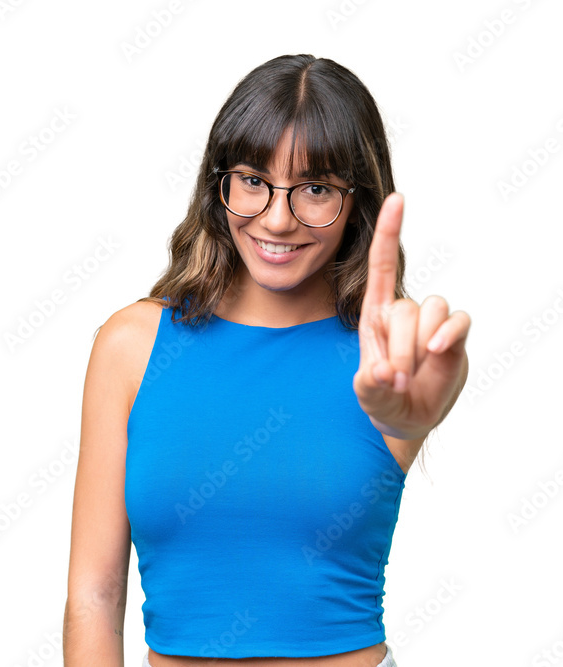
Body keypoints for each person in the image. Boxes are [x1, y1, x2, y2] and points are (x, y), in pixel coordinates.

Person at [63, 54, 471, 667]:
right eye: (253, 179)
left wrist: (421, 410)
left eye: (315, 189)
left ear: (358, 200)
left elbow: (423, 391)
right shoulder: (131, 346)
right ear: (218, 182)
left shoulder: (385, 356)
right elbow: (94, 596)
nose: (277, 219)